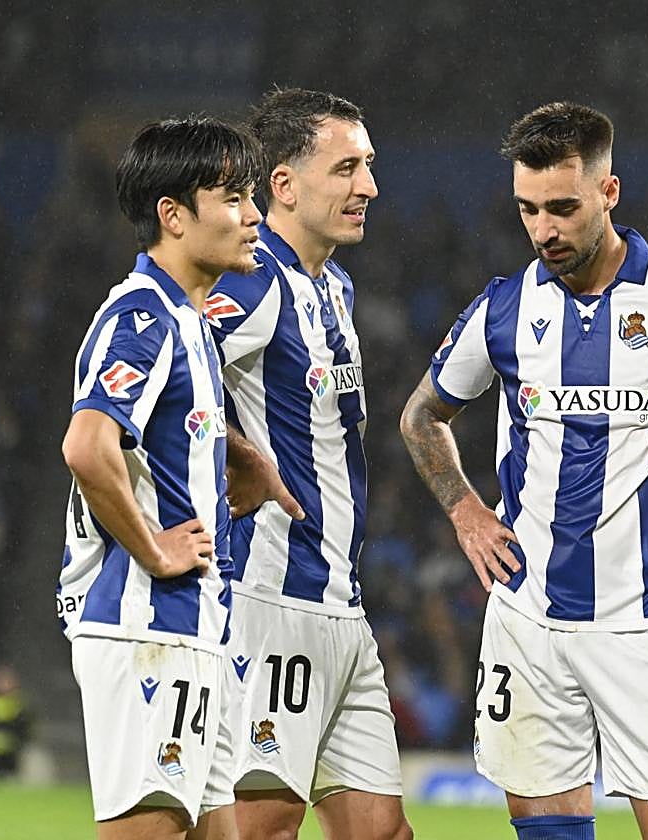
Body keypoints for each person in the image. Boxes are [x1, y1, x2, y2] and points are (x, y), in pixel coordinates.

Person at [399, 101, 648, 840]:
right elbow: (421, 415)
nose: (543, 230)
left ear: (609, 192)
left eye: (562, 208)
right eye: (527, 209)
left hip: (645, 623)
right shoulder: (504, 309)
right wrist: (465, 510)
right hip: (527, 621)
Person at [207, 88, 412, 840]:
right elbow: (168, 378)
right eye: (347, 168)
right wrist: (237, 453)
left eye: (369, 166)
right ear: (284, 185)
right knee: (265, 825)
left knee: (383, 832)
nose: (369, 187)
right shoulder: (252, 277)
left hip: (340, 605)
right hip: (270, 600)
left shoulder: (334, 286)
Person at [59, 116, 264, 840]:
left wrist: (242, 456)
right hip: (150, 628)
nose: (254, 215)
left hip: (194, 628)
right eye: (234, 198)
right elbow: (88, 447)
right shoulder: (142, 317)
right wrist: (152, 547)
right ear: (173, 216)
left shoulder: (188, 321)